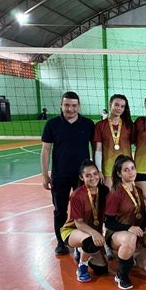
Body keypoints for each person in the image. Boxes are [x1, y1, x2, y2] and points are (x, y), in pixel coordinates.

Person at [41, 91, 95, 255]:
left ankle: (81, 242)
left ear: (79, 106)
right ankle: (61, 242)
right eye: (67, 105)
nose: (70, 109)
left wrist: (95, 174)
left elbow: (96, 148)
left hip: (83, 177)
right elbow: (45, 150)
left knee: (84, 210)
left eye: (73, 105)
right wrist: (45, 175)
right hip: (60, 176)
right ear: (61, 105)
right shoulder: (52, 124)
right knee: (60, 210)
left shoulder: (88, 124)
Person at [60, 160, 109, 282]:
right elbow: (79, 223)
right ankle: (82, 265)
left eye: (95, 173)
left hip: (91, 231)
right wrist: (95, 233)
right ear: (81, 177)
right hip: (73, 230)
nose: (93, 178)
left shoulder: (104, 191)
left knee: (102, 270)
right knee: (90, 243)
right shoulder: (77, 195)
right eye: (88, 175)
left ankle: (82, 249)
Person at [105, 155, 146, 290]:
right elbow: (108, 223)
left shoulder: (139, 191)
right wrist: (129, 228)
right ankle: (121, 274)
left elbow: (142, 216)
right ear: (119, 173)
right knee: (130, 238)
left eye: (132, 168)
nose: (131, 172)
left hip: (134, 233)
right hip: (116, 234)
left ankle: (129, 256)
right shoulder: (115, 193)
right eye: (126, 170)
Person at [94, 94, 132, 188]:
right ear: (110, 104)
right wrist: (99, 170)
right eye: (116, 105)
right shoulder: (100, 125)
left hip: (126, 168)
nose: (119, 108)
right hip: (108, 168)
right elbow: (98, 149)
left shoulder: (129, 125)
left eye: (122, 106)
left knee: (125, 198)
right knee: (109, 198)